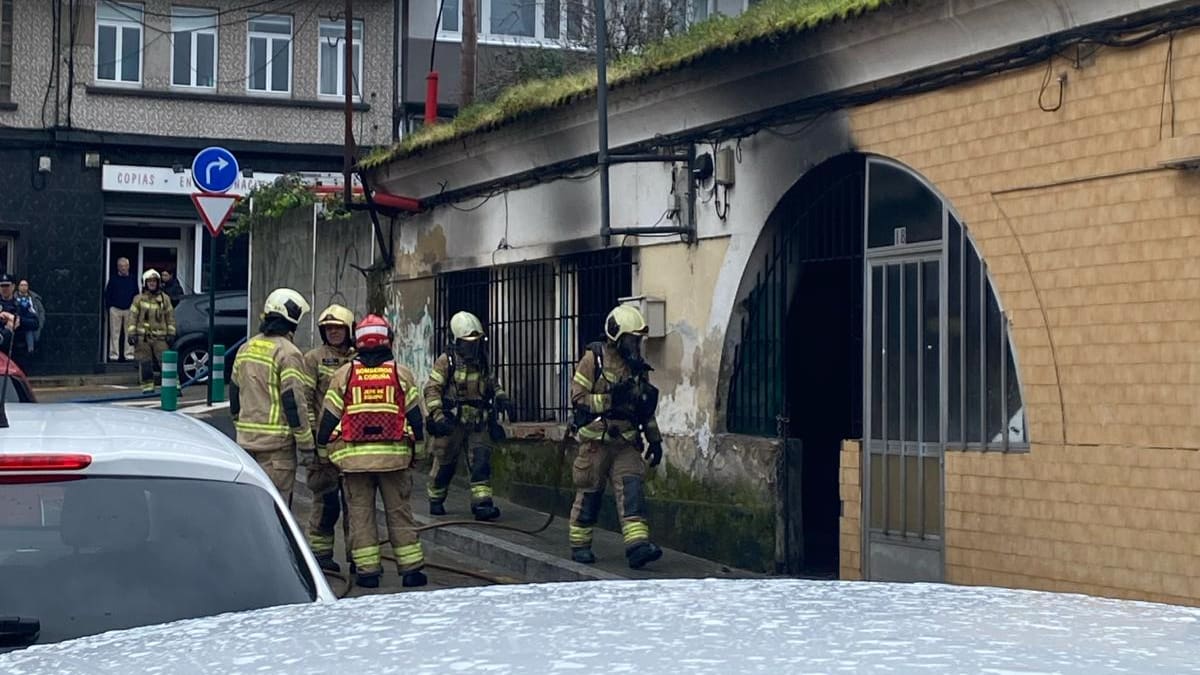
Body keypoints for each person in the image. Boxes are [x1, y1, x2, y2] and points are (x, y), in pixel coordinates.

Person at [316, 314, 428, 589]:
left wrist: (321, 451)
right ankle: (411, 570)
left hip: (354, 462)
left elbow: (328, 419)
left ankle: (367, 573)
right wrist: (421, 451)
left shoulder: (344, 375)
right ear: (388, 339)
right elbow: (416, 417)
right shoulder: (401, 374)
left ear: (359, 341)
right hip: (394, 460)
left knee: (360, 514)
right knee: (399, 511)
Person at [567, 304, 665, 570]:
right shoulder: (593, 360)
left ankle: (637, 547)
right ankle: (580, 545)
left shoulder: (637, 368)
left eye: (638, 340)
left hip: (626, 442)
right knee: (590, 494)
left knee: (632, 491)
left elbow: (645, 410)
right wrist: (611, 398)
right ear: (617, 337)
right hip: (596, 442)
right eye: (632, 339)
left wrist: (655, 439)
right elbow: (578, 399)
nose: (636, 345)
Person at [228, 288, 315, 505]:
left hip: (246, 445)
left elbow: (234, 391)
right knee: (276, 512)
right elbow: (293, 402)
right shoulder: (288, 352)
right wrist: (306, 444)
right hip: (276, 450)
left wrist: (239, 423)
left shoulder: (246, 348)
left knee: (250, 508)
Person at [423, 311, 512, 521]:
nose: (472, 346)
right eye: (468, 342)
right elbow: (432, 389)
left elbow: (491, 383)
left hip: (477, 421)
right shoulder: (446, 361)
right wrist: (437, 415)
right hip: (451, 422)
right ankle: (436, 498)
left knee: (481, 461)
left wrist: (502, 397)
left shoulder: (482, 360)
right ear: (457, 341)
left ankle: (482, 505)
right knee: (445, 464)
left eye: (476, 341)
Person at [301, 304, 356, 572]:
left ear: (349, 330)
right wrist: (313, 435)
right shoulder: (313, 358)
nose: (334, 332)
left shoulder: (361, 358)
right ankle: (321, 555)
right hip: (325, 442)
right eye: (329, 328)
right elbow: (306, 399)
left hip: (355, 443)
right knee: (326, 501)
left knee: (356, 503)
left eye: (338, 328)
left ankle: (359, 558)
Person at [128, 270, 176, 394]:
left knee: (166, 361)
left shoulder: (165, 299)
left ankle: (174, 387)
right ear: (145, 283)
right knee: (145, 363)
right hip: (142, 338)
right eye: (149, 281)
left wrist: (171, 334)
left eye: (154, 281)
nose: (152, 284)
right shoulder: (138, 299)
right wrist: (131, 334)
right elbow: (132, 317)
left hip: (160, 338)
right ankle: (148, 388)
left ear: (158, 283)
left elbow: (170, 317)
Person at [104, 257, 138, 362]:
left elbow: (136, 294)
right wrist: (110, 306)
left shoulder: (132, 279)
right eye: (121, 266)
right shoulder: (113, 279)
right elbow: (107, 294)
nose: (123, 268)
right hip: (115, 309)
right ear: (118, 267)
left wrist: (134, 308)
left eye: (125, 266)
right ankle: (114, 355)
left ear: (128, 266)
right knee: (114, 333)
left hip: (129, 309)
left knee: (129, 333)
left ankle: (129, 355)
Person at [16, 280, 43, 354]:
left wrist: (40, 324)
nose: (24, 287)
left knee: (30, 330)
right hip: (18, 323)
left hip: (32, 321)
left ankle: (31, 351)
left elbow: (40, 312)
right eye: (22, 285)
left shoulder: (34, 298)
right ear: (18, 287)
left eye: (25, 285)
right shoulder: (13, 297)